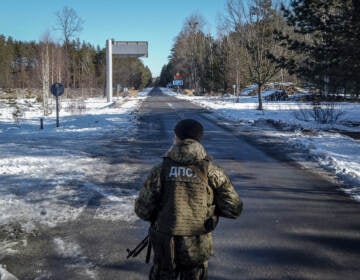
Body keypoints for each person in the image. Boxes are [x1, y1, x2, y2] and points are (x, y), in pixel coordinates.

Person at [135, 119, 243, 280]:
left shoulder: (160, 170)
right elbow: (234, 209)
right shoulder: (212, 171)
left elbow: (142, 211)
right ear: (199, 139)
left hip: (165, 244)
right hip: (197, 244)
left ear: (176, 138)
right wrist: (209, 211)